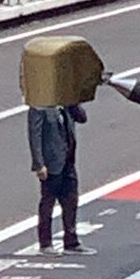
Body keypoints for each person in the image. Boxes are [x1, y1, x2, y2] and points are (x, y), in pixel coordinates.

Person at [28, 102, 93, 255]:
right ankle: (45, 243)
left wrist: (74, 104)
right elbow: (34, 136)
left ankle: (71, 241)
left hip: (68, 161)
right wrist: (39, 164)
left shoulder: (67, 105)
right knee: (48, 203)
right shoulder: (39, 107)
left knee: (71, 201)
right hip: (51, 163)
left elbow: (82, 118)